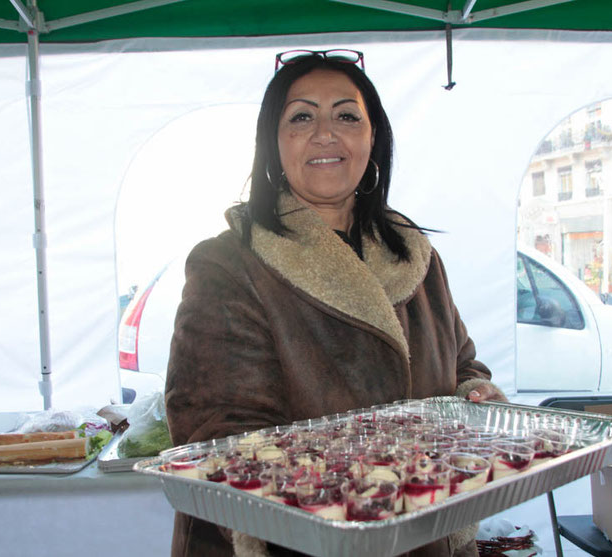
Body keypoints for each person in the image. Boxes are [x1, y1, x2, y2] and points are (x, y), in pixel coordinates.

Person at [165, 49, 506, 557]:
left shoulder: (415, 256)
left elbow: (460, 364)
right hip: (289, 541)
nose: (326, 132)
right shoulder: (228, 264)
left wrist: (476, 395)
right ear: (273, 144)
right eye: (301, 116)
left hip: (421, 536)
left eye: (347, 115)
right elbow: (215, 433)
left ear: (373, 138)